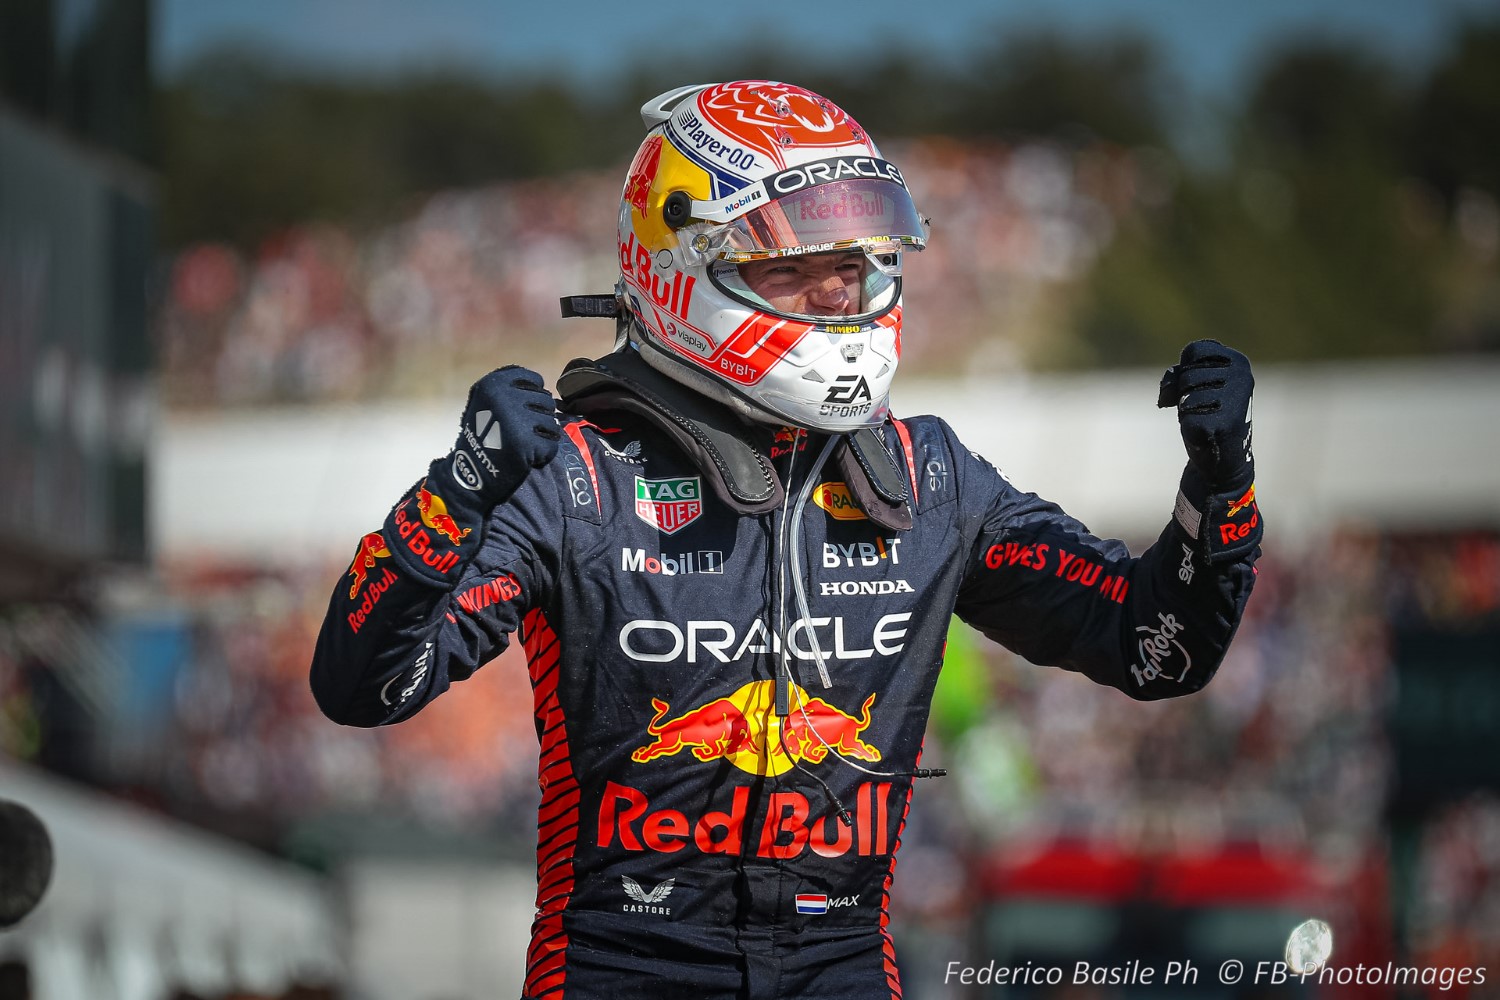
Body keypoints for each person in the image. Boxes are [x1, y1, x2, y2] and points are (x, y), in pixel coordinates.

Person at [309, 80, 1262, 1000]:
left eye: (848, 266)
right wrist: (457, 491)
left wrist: (1219, 490)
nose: (833, 299)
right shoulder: (573, 477)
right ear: (680, 270)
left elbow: (1153, 648)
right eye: (791, 268)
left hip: (840, 957)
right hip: (618, 959)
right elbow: (362, 686)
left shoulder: (931, 477)